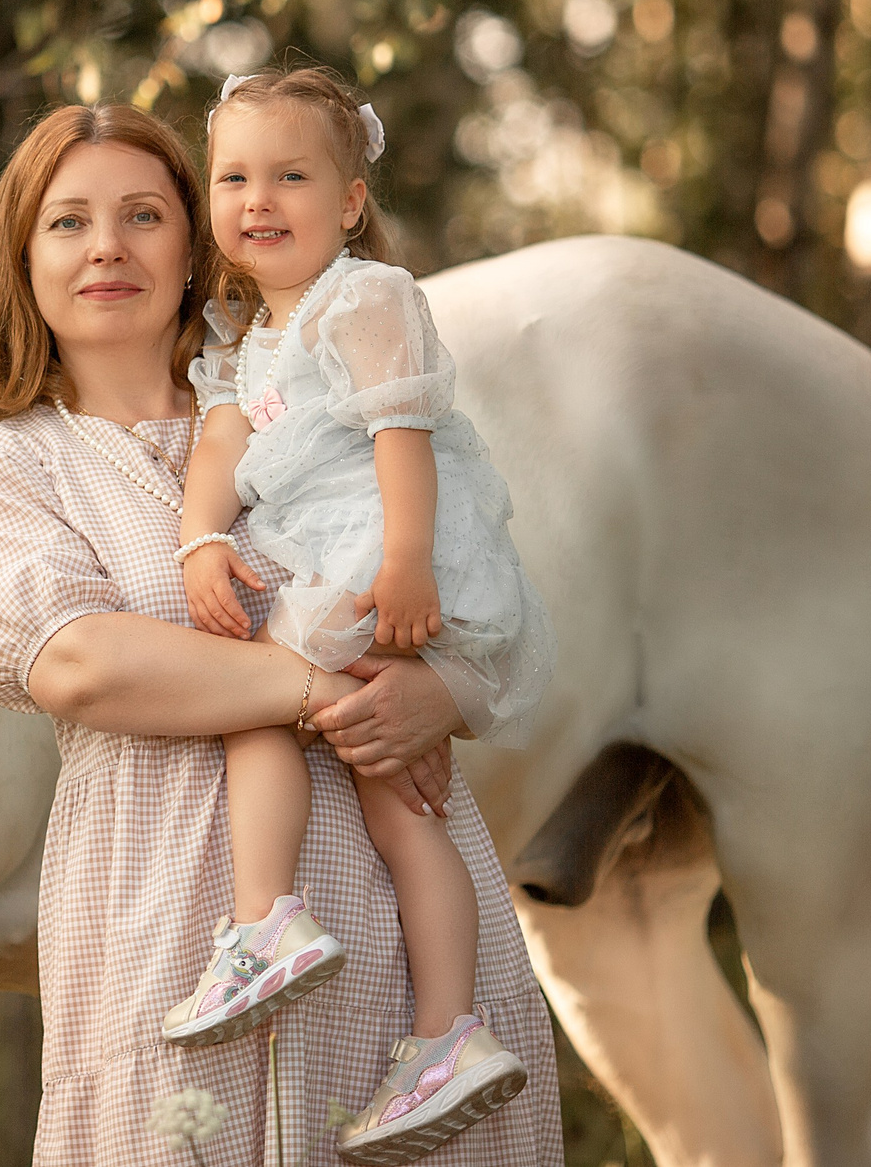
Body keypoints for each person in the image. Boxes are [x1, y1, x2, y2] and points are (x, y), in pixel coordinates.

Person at [0, 103, 559, 1165]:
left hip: (392, 918)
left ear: (193, 245)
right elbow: (82, 661)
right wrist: (316, 690)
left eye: (142, 214)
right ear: (23, 258)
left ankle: (443, 1044)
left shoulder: (309, 404)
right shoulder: (9, 473)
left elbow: (458, 580)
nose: (108, 249)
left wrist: (440, 696)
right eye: (68, 222)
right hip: (160, 918)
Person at [166, 68, 555, 1163]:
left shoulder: (364, 297)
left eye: (290, 175)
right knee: (400, 809)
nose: (258, 198)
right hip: (343, 565)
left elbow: (403, 437)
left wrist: (405, 562)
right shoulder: (247, 337)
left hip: (376, 559)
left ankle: (264, 921)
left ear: (345, 201)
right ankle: (448, 1036)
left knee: (247, 702)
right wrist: (200, 540)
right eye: (234, 177)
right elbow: (220, 449)